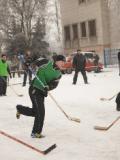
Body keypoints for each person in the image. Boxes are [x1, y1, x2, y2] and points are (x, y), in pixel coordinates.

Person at [16, 55, 65, 138]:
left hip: (42, 92)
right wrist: (28, 62)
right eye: (62, 61)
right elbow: (35, 59)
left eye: (64, 62)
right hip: (35, 88)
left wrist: (48, 87)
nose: (63, 63)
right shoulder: (46, 62)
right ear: (57, 61)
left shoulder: (59, 74)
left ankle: (20, 109)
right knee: (40, 112)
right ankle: (35, 133)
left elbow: (54, 84)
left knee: (36, 112)